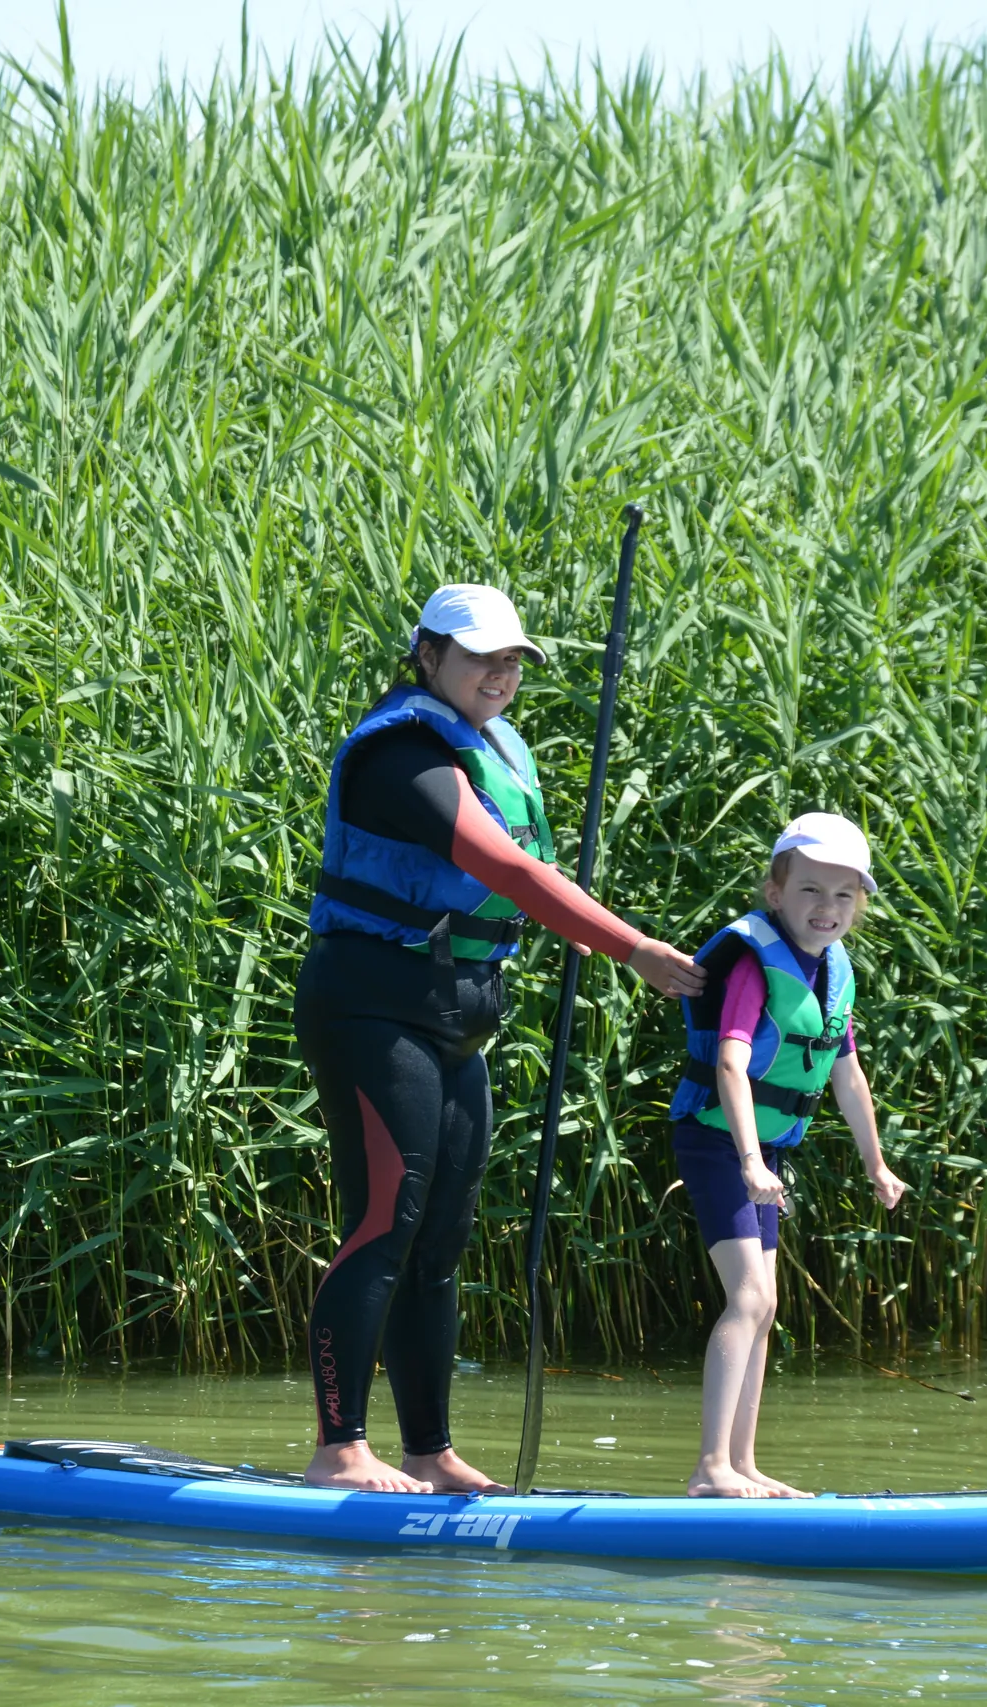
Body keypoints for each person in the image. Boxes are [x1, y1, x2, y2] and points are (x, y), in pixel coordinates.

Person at [299, 583, 706, 1494]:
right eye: (480, 655)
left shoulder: (490, 749)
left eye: (513, 658)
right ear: (429, 655)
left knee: (440, 1241)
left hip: (457, 1016)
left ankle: (429, 1451)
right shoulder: (403, 752)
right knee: (384, 1221)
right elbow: (507, 869)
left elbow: (524, 871)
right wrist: (632, 948)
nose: (501, 672)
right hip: (373, 1003)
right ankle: (339, 1448)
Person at [666, 812, 907, 1497]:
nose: (826, 909)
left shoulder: (834, 973)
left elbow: (847, 1075)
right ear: (775, 892)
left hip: (760, 1151)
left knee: (766, 1305)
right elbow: (733, 1066)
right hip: (721, 1139)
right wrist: (748, 1159)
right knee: (747, 1296)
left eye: (842, 895)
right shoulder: (754, 962)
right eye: (810, 890)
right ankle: (710, 1466)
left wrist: (876, 1164)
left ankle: (741, 1462)